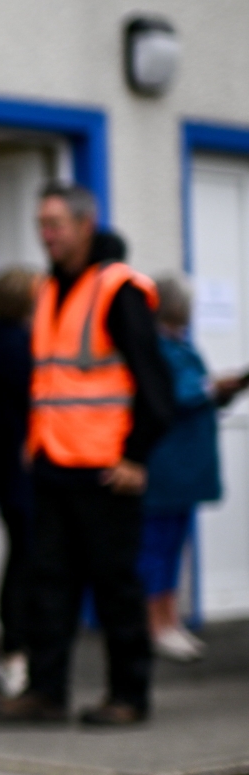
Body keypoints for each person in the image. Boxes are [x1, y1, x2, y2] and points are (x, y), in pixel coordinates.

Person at [0, 183, 173, 726]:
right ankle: (45, 692)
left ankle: (128, 695)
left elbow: (155, 385)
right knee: (49, 583)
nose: (46, 235)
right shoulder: (48, 289)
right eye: (41, 225)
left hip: (106, 469)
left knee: (115, 585)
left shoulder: (118, 290)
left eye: (56, 225)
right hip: (53, 464)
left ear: (85, 225)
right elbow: (52, 381)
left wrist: (136, 456)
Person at [137, 273, 242, 663]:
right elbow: (177, 394)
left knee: (174, 547)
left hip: (185, 468)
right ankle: (154, 624)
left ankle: (170, 619)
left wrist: (221, 390)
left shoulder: (181, 344)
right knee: (155, 549)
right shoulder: (155, 347)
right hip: (166, 465)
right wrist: (214, 387)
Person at [0, 266, 38, 696]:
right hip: (20, 467)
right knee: (24, 560)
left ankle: (19, 649)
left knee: (24, 558)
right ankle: (14, 652)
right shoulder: (15, 345)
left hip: (11, 466)